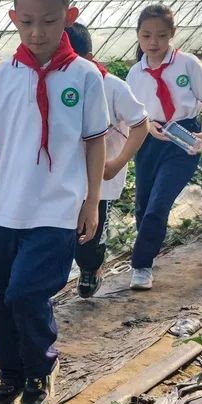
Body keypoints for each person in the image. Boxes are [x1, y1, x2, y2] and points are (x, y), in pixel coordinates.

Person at [0, 0, 109, 404]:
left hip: (57, 210)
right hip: (5, 209)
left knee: (25, 293)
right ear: (13, 16)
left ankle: (42, 367)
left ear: (69, 16)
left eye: (49, 21)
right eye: (27, 21)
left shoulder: (84, 77)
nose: (37, 32)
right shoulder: (2, 76)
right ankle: (10, 375)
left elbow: (94, 141)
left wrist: (91, 201)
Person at [125, 4, 202, 290]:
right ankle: (148, 257)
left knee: (158, 205)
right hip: (149, 139)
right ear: (138, 36)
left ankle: (140, 265)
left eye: (161, 36)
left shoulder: (187, 64)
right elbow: (132, 114)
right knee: (143, 205)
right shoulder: (135, 74)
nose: (153, 43)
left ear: (172, 35)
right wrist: (148, 126)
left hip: (182, 137)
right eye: (146, 36)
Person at [65, 22, 148, 298]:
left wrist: (118, 162)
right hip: (67, 175)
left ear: (88, 59)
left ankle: (91, 267)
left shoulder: (113, 87)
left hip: (102, 175)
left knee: (89, 233)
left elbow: (141, 124)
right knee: (64, 231)